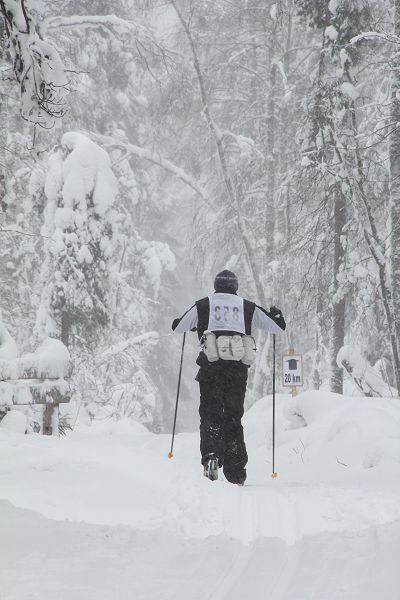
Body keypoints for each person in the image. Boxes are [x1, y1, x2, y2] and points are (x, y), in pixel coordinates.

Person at [172, 270, 286, 485]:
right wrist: (277, 315)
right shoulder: (247, 306)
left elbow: (179, 327)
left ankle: (211, 457)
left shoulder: (204, 304)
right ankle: (235, 472)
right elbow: (277, 328)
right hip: (236, 372)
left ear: (216, 285)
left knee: (210, 414)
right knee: (233, 417)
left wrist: (186, 322)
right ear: (235, 286)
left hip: (210, 370)